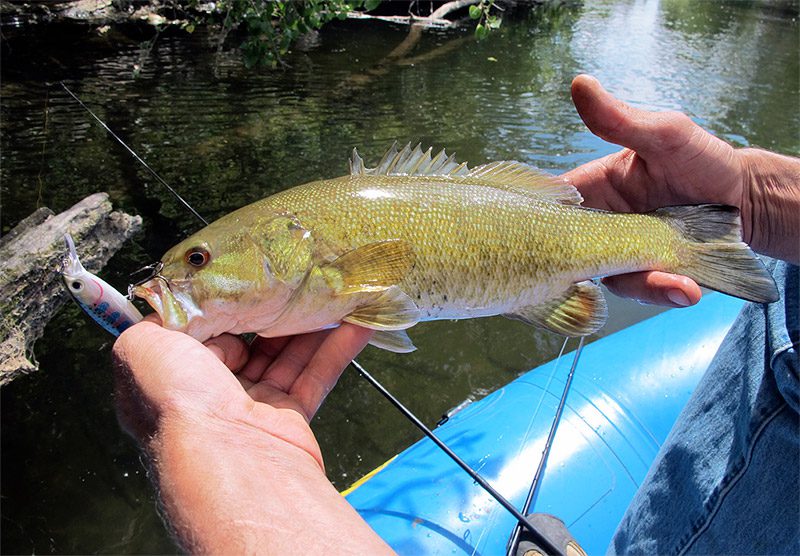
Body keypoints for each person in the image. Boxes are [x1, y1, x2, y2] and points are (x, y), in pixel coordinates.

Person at [113, 75, 799, 554]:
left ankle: (693, 238)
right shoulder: (315, 277)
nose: (181, 277)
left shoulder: (323, 270)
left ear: (292, 247)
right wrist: (755, 199)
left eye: (198, 261)